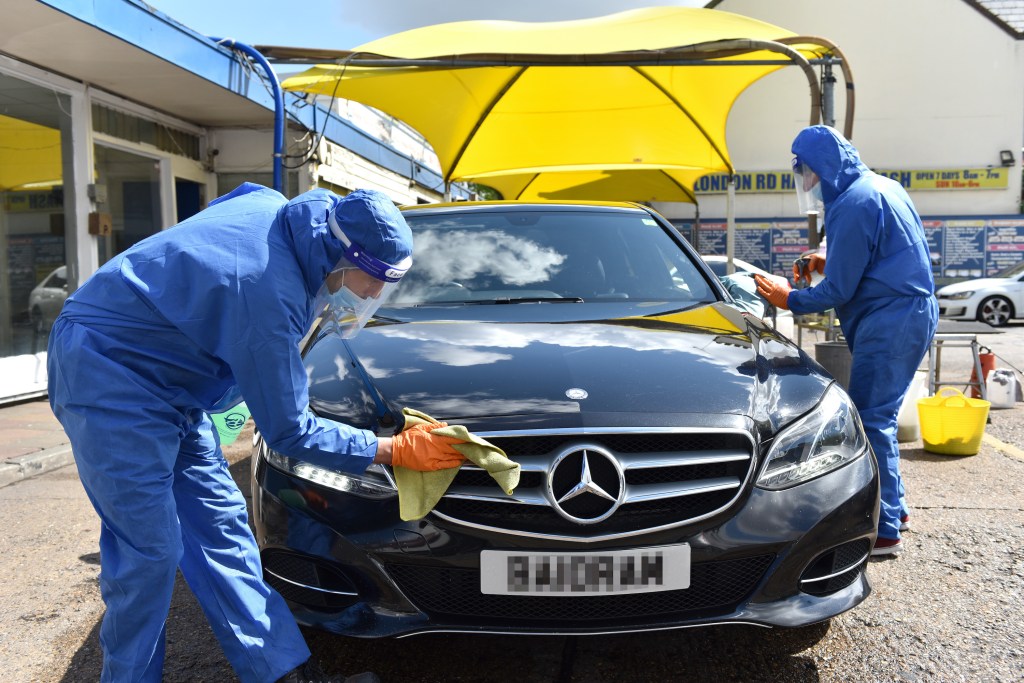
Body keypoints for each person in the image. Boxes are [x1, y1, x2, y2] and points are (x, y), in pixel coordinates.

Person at [47, 183, 467, 683]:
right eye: (372, 278)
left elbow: (227, 209)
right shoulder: (266, 295)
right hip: (107, 371)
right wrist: (390, 449)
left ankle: (279, 673)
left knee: (224, 531)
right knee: (151, 552)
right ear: (339, 253)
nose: (375, 293)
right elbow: (290, 432)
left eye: (388, 281)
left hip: (175, 384)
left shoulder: (276, 206)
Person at [754, 125, 938, 558]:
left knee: (872, 420)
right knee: (882, 417)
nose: (808, 184)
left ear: (821, 168)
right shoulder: (880, 187)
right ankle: (897, 509)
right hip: (908, 313)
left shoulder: (852, 203)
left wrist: (788, 298)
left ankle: (886, 529)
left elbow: (837, 290)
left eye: (808, 174)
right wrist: (824, 255)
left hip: (889, 318)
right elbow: (879, 249)